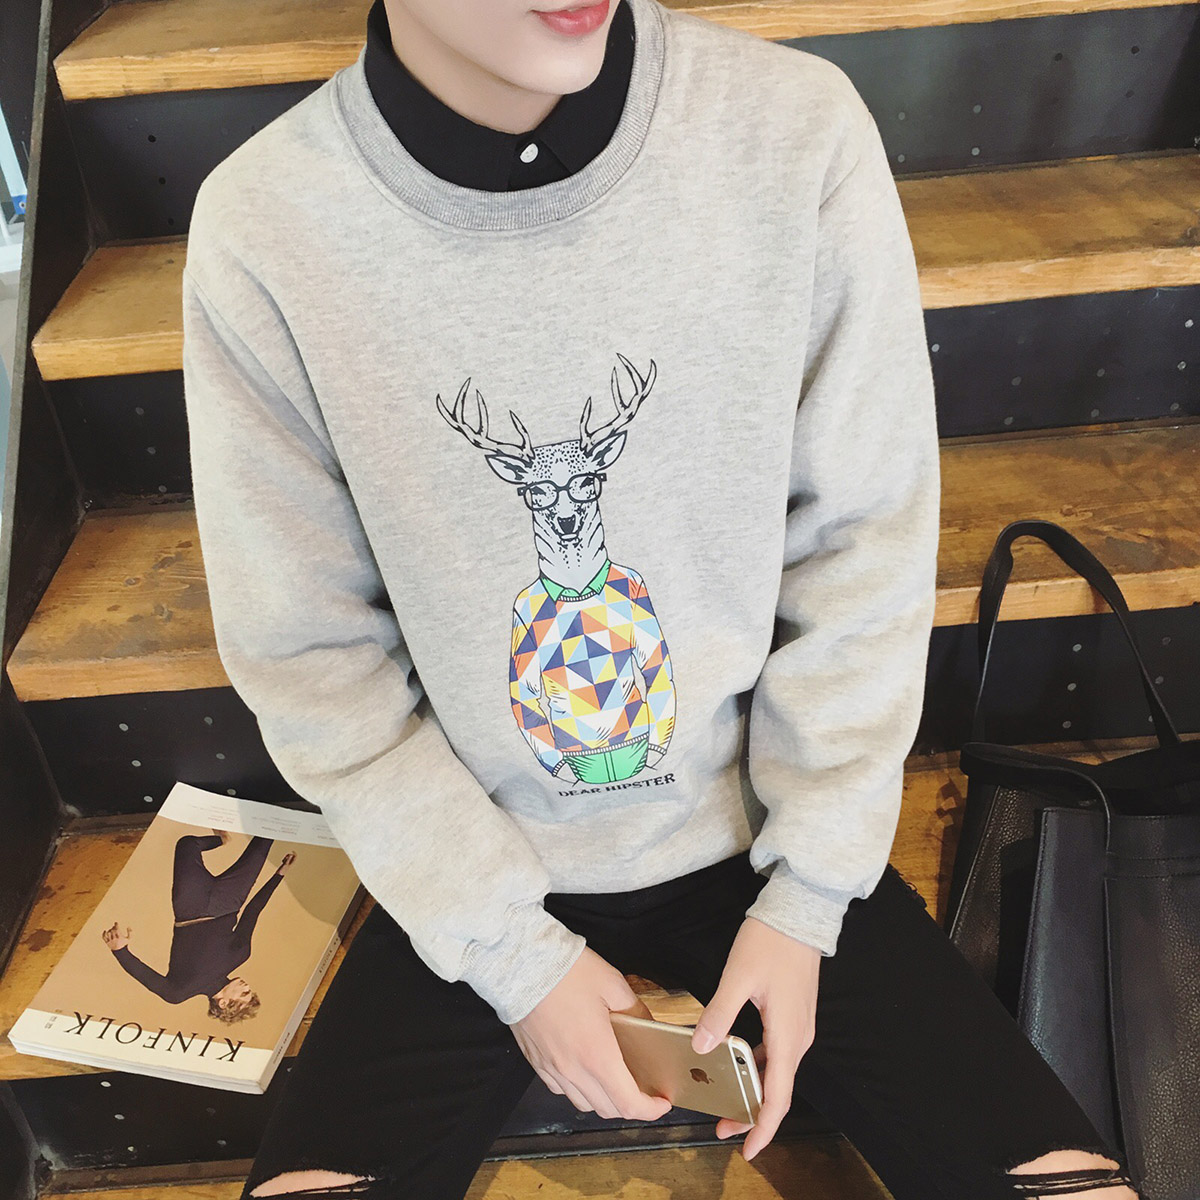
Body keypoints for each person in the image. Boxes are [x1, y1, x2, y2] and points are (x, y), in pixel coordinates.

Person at [179, 0, 1140, 1196]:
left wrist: (806, 899)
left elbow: (862, 542)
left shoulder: (794, 132)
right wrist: (515, 960)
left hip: (760, 838)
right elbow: (312, 657)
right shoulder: (264, 227)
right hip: (477, 849)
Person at [102, 831, 294, 1022]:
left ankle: (221, 840)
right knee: (263, 841)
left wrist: (120, 950)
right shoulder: (241, 955)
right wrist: (279, 874)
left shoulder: (178, 992)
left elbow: (143, 975)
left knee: (187, 844)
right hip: (228, 902)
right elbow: (253, 911)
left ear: (223, 1003)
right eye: (249, 991)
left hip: (188, 908)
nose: (247, 987)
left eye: (244, 994)